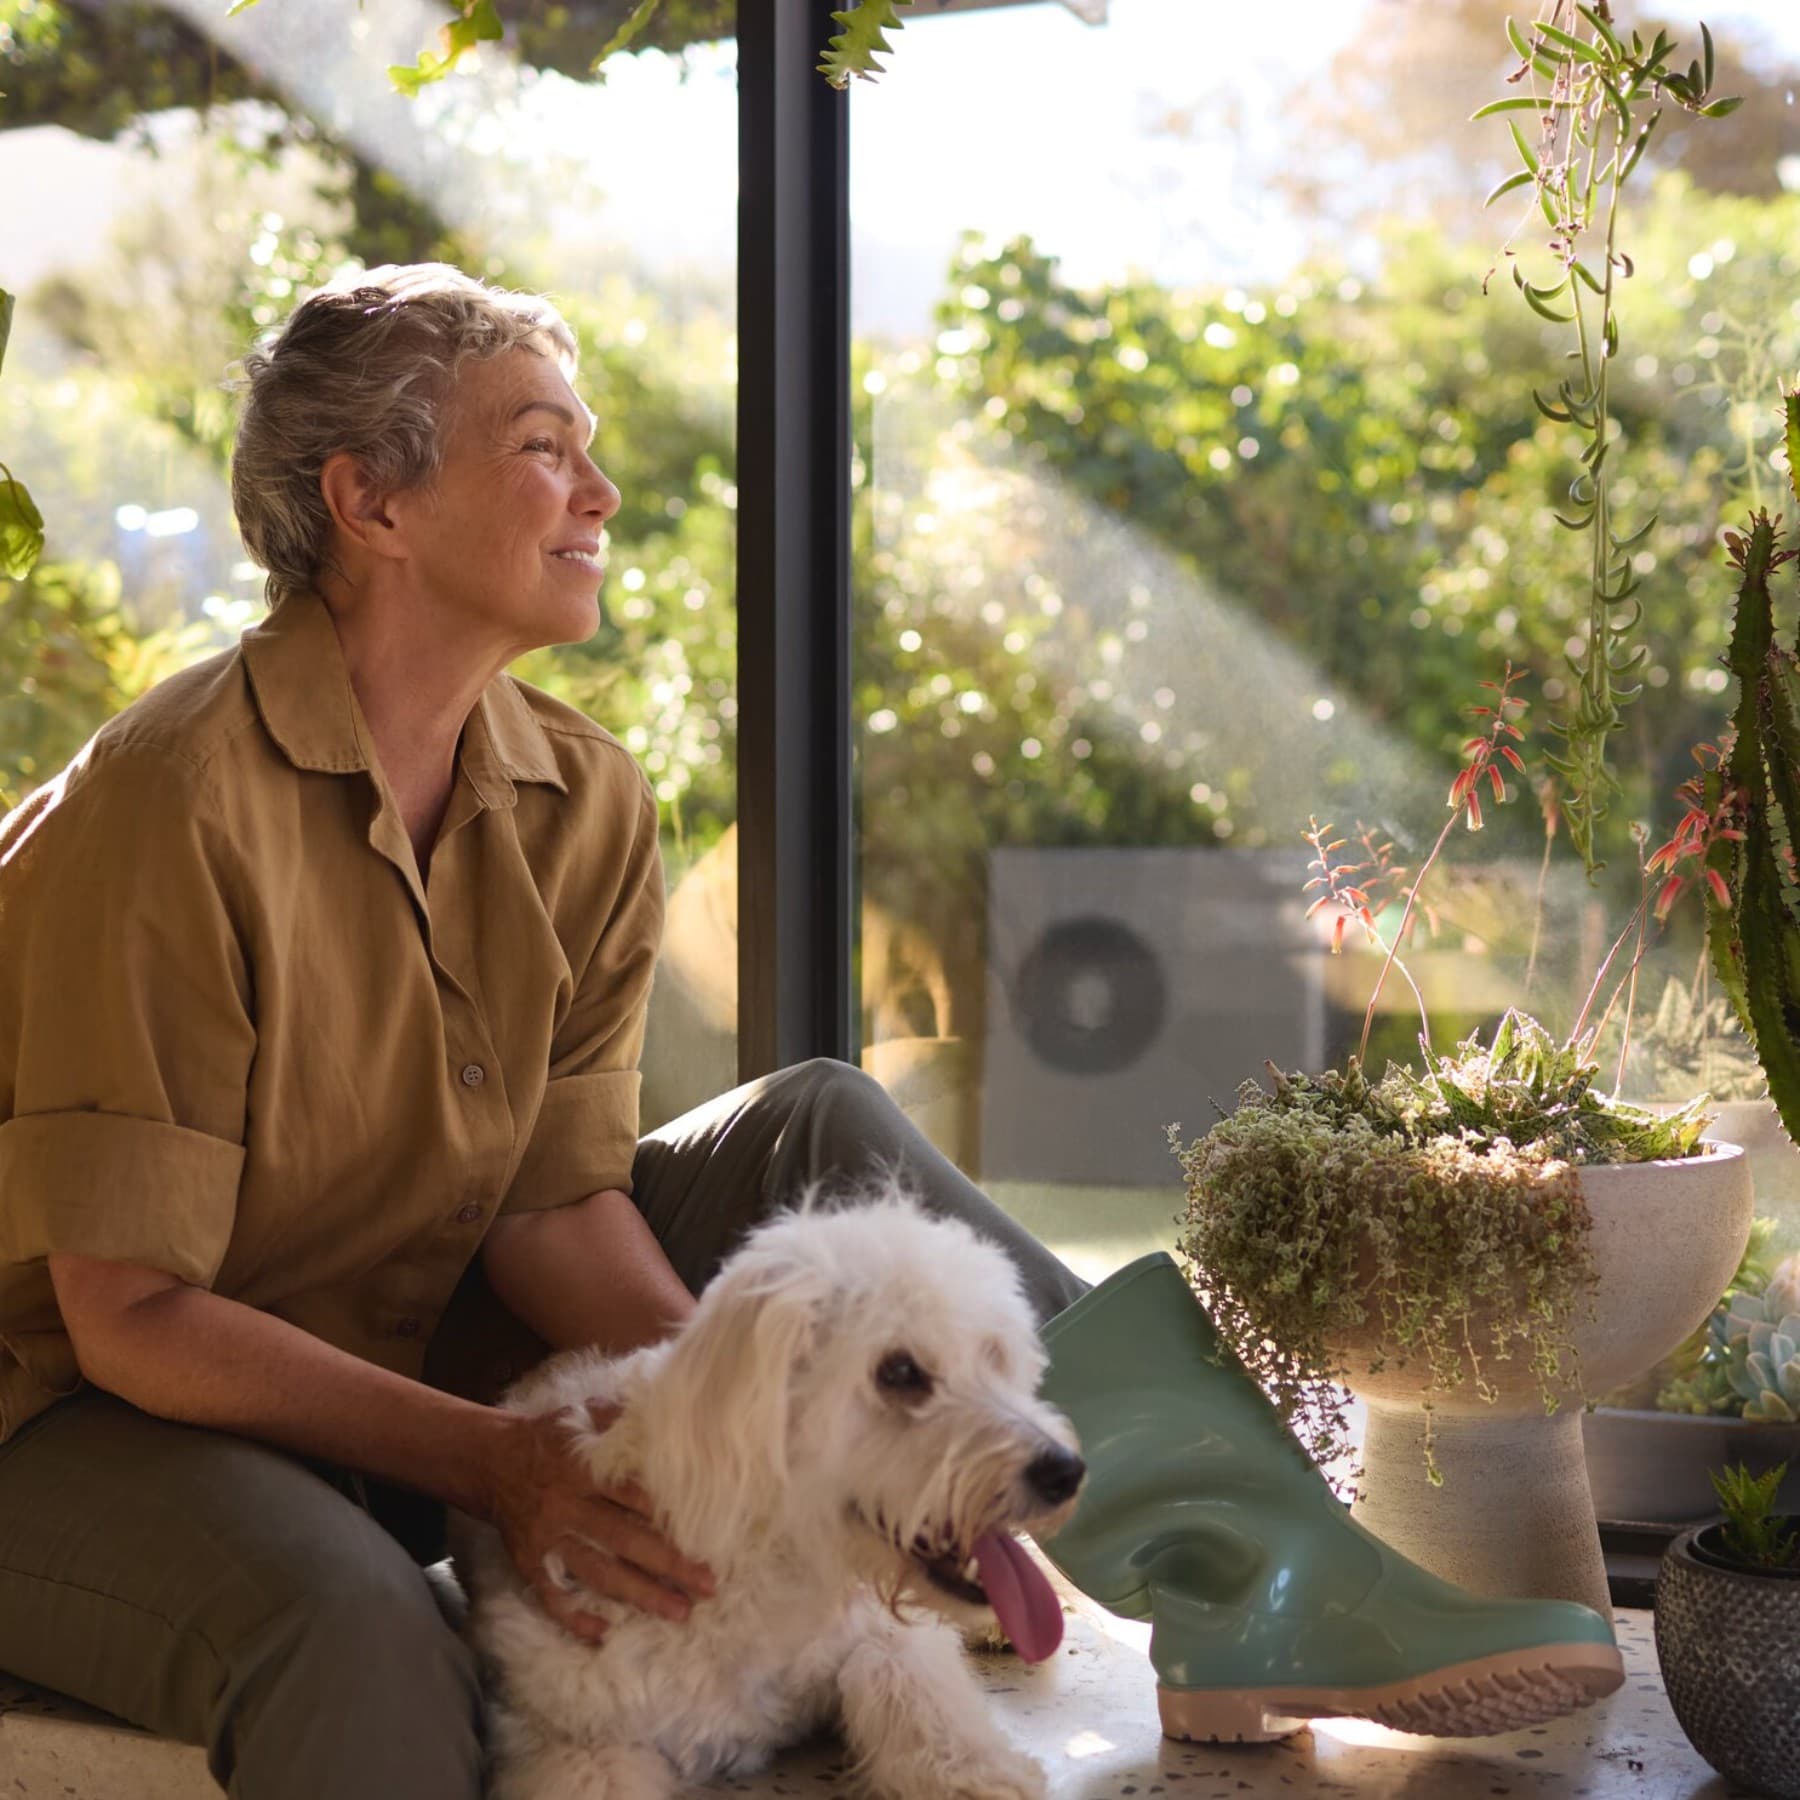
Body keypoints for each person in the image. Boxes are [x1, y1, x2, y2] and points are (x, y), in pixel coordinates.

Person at [0, 266, 1619, 1800]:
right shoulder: (171, 805)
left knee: (816, 1126)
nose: (601, 495)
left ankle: (1254, 1572)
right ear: (374, 504)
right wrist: (510, 1463)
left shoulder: (581, 796)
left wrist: (694, 1449)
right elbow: (133, 1311)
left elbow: (553, 1213)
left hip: (403, 1330)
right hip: (85, 1414)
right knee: (356, 1630)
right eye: (544, 447)